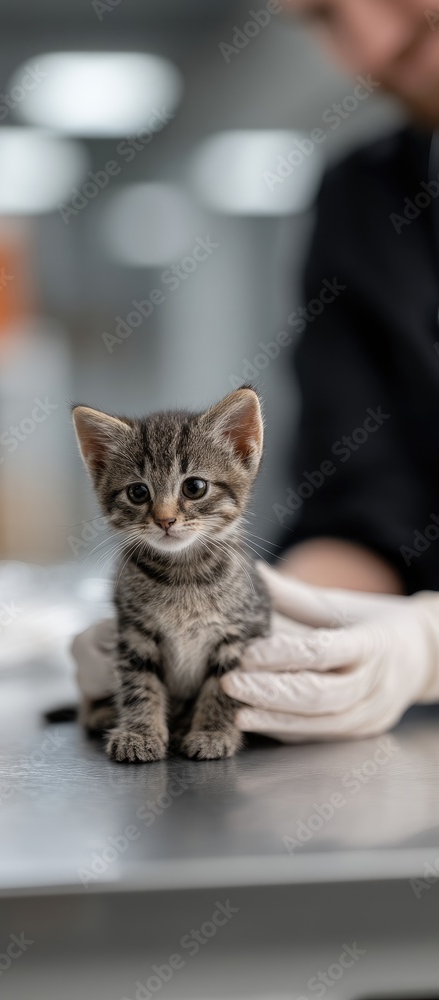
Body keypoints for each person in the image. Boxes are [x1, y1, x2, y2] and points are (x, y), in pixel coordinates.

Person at [71, 0, 439, 743]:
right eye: (323, 18)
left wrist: (429, 645)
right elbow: (366, 499)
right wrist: (262, 619)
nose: (369, 44)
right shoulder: (360, 202)